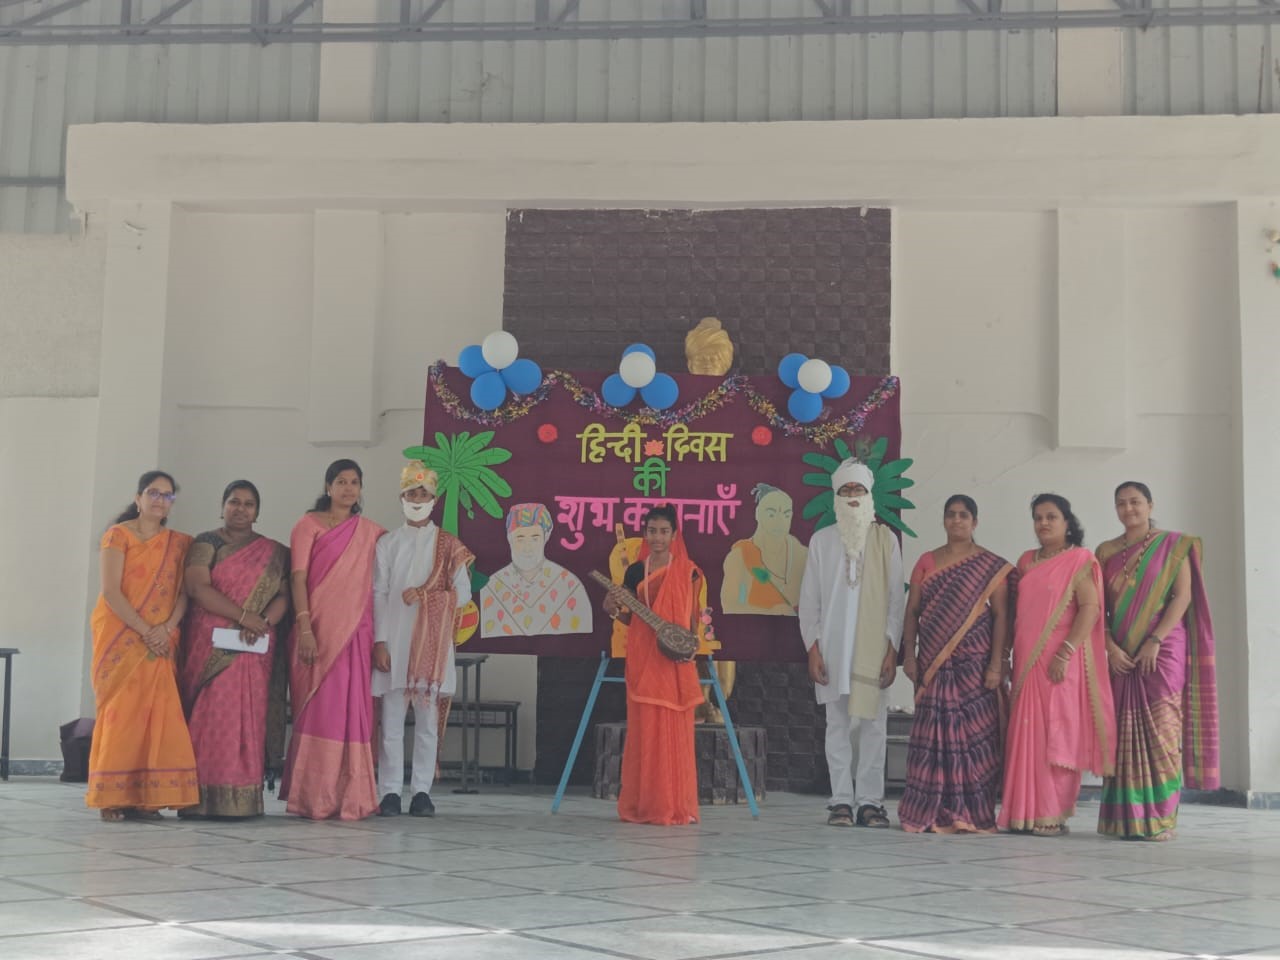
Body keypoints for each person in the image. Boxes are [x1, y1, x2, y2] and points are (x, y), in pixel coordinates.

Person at [1096, 481, 1219, 841]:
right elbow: (1097, 607)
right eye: (1121, 503)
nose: (1128, 509)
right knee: (1123, 732)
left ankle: (1160, 818)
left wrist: (1154, 640)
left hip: (1162, 648)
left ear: (1150, 505)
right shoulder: (1105, 551)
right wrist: (1109, 646)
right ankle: (1127, 818)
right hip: (1120, 652)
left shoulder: (1174, 545)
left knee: (1163, 730)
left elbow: (1182, 597)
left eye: (1135, 502)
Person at [998, 493, 1116, 837]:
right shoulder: (1026, 561)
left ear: (1067, 522)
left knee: (1057, 734)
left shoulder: (1080, 559)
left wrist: (1065, 652)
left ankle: (1052, 813)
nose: (1044, 523)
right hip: (1026, 661)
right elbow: (1017, 613)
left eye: (1051, 517)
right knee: (1027, 734)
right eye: (1038, 517)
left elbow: (1090, 608)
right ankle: (1022, 813)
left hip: (1060, 661)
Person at [87, 471, 199, 821]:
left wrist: (166, 628)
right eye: (153, 493)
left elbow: (184, 593)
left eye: (167, 495)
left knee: (158, 719)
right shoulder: (118, 535)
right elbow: (111, 591)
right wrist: (147, 630)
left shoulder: (180, 544)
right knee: (121, 717)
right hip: (121, 637)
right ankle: (111, 799)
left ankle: (148, 798)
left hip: (161, 641)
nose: (159, 500)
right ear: (138, 498)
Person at [799, 460, 905, 828]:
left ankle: (870, 802)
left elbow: (895, 601)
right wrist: (813, 647)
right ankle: (841, 800)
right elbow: (809, 601)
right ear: (836, 497)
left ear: (869, 495)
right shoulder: (822, 541)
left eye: (858, 489)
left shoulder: (886, 541)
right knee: (837, 724)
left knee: (874, 725)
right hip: (832, 647)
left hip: (875, 649)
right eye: (846, 490)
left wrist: (892, 648)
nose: (853, 496)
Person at [899, 495, 1012, 834]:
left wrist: (997, 665)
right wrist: (909, 655)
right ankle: (930, 809)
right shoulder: (927, 561)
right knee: (931, 738)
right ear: (944, 520)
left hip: (975, 665)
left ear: (975, 522)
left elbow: (1001, 616)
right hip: (933, 664)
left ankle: (971, 811)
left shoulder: (991, 565)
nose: (957, 520)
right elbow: (912, 611)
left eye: (964, 515)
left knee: (976, 739)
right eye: (951, 514)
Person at [279, 459, 385, 820]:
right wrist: (305, 628)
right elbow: (297, 578)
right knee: (322, 711)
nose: (348, 488)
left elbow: (391, 570)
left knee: (352, 711)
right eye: (341, 481)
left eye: (354, 482)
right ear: (328, 487)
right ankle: (313, 795)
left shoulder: (370, 532)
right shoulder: (308, 525)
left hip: (356, 635)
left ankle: (351, 795)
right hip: (317, 633)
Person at [180, 481, 289, 818]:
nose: (241, 509)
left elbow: (284, 596)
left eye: (249, 504)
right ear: (222, 506)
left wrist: (263, 623)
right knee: (210, 717)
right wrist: (243, 617)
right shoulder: (206, 543)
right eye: (234, 502)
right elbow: (197, 588)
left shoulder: (275, 552)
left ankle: (243, 799)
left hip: (253, 646)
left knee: (248, 718)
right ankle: (199, 797)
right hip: (210, 643)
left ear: (257, 512)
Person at [372, 461, 474, 818]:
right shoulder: (387, 543)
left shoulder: (449, 545)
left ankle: (421, 792)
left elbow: (463, 593)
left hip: (432, 650)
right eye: (411, 493)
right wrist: (380, 642)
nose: (417, 499)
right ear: (401, 498)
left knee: (427, 725)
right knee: (391, 723)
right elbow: (379, 593)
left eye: (424, 494)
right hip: (395, 645)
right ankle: (389, 792)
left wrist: (427, 596)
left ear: (435, 499)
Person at [602, 504, 705, 825]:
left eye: (664, 531)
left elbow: (691, 619)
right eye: (652, 531)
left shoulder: (687, 571)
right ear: (644, 534)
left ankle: (676, 805)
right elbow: (629, 617)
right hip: (644, 658)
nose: (657, 537)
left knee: (675, 730)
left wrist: (690, 648)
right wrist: (611, 607)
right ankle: (647, 804)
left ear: (674, 535)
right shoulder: (635, 572)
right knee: (645, 731)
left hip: (675, 661)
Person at [480, 502, 593, 637]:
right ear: (509, 539)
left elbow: (582, 635)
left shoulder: (570, 584)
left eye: (535, 539)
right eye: (520, 539)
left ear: (546, 537)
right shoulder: (492, 586)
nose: (528, 548)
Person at [721, 483, 808, 616]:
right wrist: (775, 611)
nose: (780, 522)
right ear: (758, 514)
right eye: (771, 515)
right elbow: (731, 606)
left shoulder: (802, 554)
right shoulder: (741, 555)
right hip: (752, 627)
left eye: (786, 515)